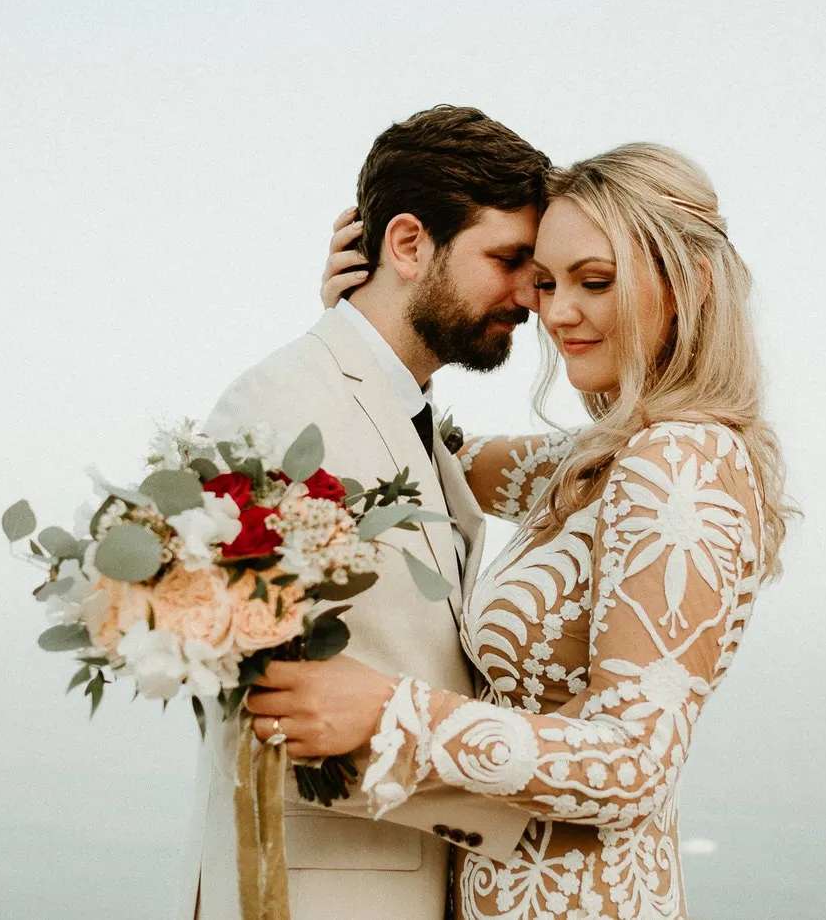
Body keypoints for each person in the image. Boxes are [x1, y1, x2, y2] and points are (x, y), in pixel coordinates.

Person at [244, 143, 792, 919]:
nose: (557, 312)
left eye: (593, 282)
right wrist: (367, 333)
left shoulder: (682, 462)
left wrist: (386, 710)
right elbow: (433, 458)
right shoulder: (607, 457)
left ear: (691, 281)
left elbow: (635, 762)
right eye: (546, 282)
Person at [176, 105, 551, 920]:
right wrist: (519, 799)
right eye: (509, 259)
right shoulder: (279, 409)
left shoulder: (407, 414)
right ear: (410, 244)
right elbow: (253, 705)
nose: (530, 296)